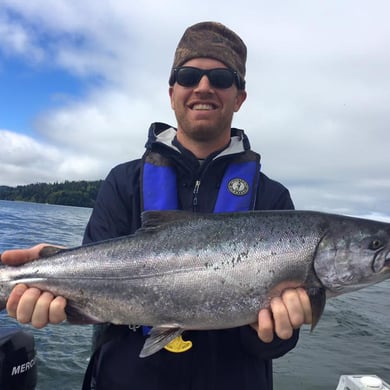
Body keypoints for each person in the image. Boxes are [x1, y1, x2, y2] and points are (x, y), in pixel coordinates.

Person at [1, 21, 312, 390]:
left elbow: (277, 345)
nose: (203, 87)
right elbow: (88, 294)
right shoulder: (124, 183)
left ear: (239, 96)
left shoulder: (273, 201)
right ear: (172, 91)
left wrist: (276, 333)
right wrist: (44, 286)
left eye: (221, 78)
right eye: (188, 75)